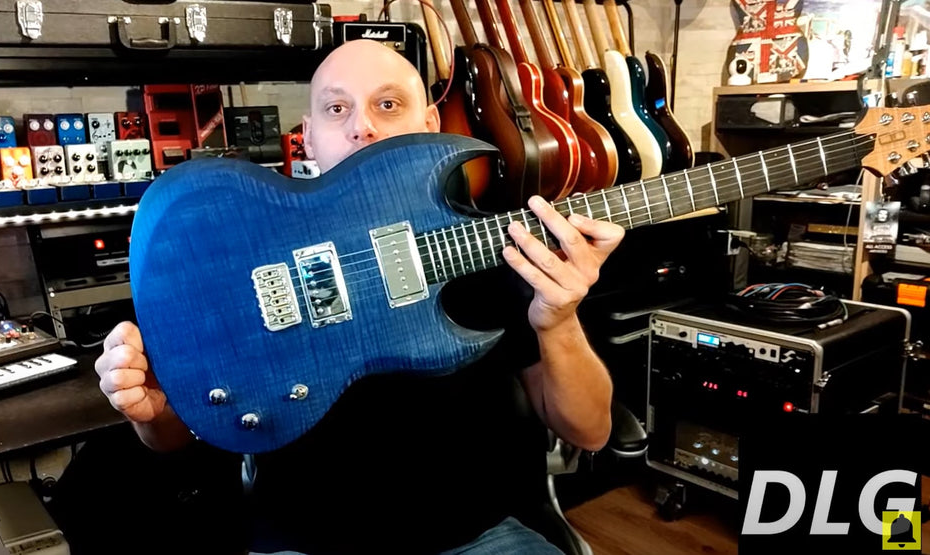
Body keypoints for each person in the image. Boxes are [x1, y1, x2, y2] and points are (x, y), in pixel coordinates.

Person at [94, 39, 624, 554]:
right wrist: (151, 412)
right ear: (308, 137)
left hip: (477, 537)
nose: (362, 126)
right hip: (301, 544)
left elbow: (591, 430)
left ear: (431, 126)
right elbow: (172, 436)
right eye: (336, 108)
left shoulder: (501, 254)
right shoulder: (242, 243)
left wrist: (559, 321)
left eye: (388, 105)